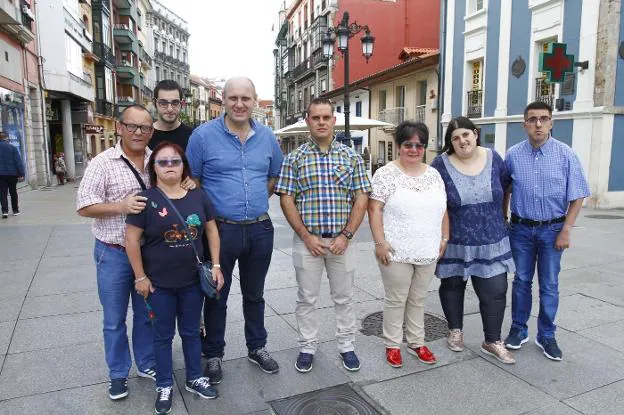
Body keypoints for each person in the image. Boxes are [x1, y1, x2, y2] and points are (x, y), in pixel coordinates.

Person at [77, 105, 196, 401]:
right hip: (114, 252)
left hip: (150, 254)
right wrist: (121, 206)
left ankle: (146, 363)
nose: (138, 132)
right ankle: (118, 373)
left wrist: (187, 183)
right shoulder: (102, 163)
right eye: (132, 126)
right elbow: (83, 206)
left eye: (144, 128)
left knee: (146, 314)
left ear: (151, 131)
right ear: (120, 127)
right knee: (114, 318)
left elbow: (173, 189)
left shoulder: (156, 160)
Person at [186, 77, 283, 383]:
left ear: (255, 100)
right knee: (216, 294)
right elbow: (194, 182)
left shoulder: (267, 137)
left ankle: (257, 347)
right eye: (233, 98)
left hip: (259, 230)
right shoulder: (203, 137)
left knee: (255, 295)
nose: (239, 104)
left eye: (246, 98)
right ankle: (213, 354)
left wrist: (251, 203)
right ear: (224, 101)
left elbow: (272, 177)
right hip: (220, 231)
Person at [125, 141, 223, 414]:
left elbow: (212, 232)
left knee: (192, 332)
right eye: (163, 162)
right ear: (153, 167)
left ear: (184, 167)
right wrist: (140, 277)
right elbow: (131, 240)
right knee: (162, 336)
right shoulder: (145, 199)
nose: (170, 166)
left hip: (192, 282)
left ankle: (194, 377)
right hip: (159, 286)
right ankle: (165, 384)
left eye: (175, 161)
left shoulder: (198, 195)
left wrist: (216, 265)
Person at [276, 97, 371, 373]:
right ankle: (307, 346)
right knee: (306, 298)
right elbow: (287, 199)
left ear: (333, 120)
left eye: (325, 117)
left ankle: (346, 346)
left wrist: (347, 235)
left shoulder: (351, 156)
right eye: (315, 118)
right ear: (308, 121)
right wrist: (305, 236)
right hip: (308, 243)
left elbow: (361, 197)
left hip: (344, 242)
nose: (321, 122)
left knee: (344, 297)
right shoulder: (294, 158)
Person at [504, 101, 590, 361]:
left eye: (543, 119)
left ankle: (547, 335)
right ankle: (519, 329)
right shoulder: (512, 155)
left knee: (550, 284)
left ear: (551, 122)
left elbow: (578, 196)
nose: (538, 124)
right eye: (532, 119)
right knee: (521, 281)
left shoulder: (566, 155)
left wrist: (566, 230)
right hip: (520, 229)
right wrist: (502, 217)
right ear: (525, 124)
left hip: (553, 230)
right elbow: (505, 189)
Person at [430, 116, 516, 365]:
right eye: (455, 138)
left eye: (466, 135)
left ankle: (492, 340)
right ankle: (455, 330)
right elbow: (435, 202)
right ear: (451, 143)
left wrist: (503, 216)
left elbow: (505, 188)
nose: (462, 141)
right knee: (452, 287)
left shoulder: (493, 158)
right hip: (456, 240)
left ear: (476, 134)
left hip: (493, 240)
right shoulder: (440, 165)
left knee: (496, 291)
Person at [368, 121, 447, 368]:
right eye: (408, 144)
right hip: (395, 250)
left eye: (419, 145)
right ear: (398, 146)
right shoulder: (386, 174)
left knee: (418, 298)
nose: (414, 149)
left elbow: (444, 209)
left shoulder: (434, 174)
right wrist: (380, 242)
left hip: (428, 249)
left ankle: (417, 342)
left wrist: (444, 238)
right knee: (396, 299)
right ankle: (392, 344)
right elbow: (374, 209)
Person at [149, 79, 194, 151]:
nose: (170, 109)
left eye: (175, 103)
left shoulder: (192, 136)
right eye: (163, 103)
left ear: (181, 104)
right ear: (154, 103)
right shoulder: (145, 135)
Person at [0, 131, 25, 218]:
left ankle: (5, 211)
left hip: (1, 175)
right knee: (13, 192)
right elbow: (18, 162)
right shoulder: (12, 147)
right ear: (6, 138)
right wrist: (21, 173)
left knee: (2, 193)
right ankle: (15, 210)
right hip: (12, 174)